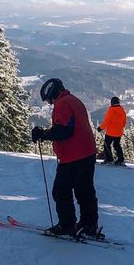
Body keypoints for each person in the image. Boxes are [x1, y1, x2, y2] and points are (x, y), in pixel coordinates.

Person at [31, 77, 101, 238]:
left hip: (73, 156)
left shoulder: (62, 104)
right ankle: (89, 224)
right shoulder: (74, 100)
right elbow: (69, 127)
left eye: (49, 100)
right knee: (85, 191)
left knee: (61, 190)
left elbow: (64, 131)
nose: (50, 103)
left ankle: (67, 225)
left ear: (53, 94)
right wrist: (47, 133)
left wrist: (43, 134)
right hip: (87, 152)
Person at [98, 96, 127, 165]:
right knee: (117, 145)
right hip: (119, 132)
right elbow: (124, 122)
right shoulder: (122, 110)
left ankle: (109, 159)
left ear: (112, 102)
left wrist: (100, 128)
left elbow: (106, 121)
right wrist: (120, 128)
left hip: (110, 132)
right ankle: (121, 160)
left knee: (107, 145)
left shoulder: (111, 110)